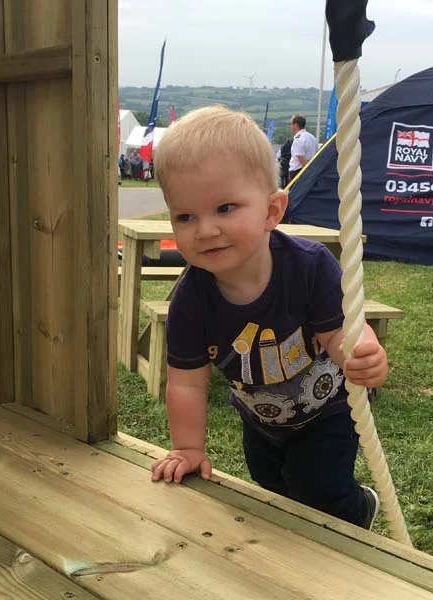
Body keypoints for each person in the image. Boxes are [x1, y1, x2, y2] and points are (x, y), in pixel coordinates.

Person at [149, 105, 388, 530]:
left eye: (224, 208)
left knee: (318, 487)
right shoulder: (190, 300)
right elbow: (186, 382)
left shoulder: (309, 267)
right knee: (271, 485)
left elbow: (338, 333)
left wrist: (362, 348)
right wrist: (187, 447)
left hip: (329, 404)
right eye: (186, 216)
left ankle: (359, 509)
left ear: (272, 211)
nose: (204, 229)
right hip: (262, 417)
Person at [287, 115, 318, 183]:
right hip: (310, 170)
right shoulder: (312, 138)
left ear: (295, 125)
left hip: (298, 172)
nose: (290, 126)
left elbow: (302, 160)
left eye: (290, 124)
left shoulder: (298, 139)